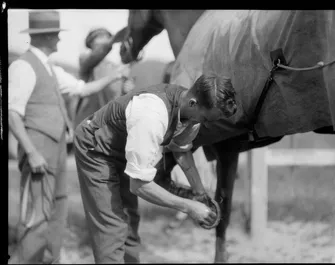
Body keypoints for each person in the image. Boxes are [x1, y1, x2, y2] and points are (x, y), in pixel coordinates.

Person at [73, 73, 238, 263]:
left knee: (130, 217)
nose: (206, 124)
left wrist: (199, 192)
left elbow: (181, 151)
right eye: (207, 119)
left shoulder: (191, 115)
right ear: (193, 103)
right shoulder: (152, 114)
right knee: (112, 224)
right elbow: (139, 185)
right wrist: (189, 206)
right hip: (96, 148)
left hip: (124, 150)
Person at [8, 10, 129, 264]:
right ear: (48, 35)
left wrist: (116, 75)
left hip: (58, 148)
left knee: (57, 211)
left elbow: (81, 88)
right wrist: (31, 152)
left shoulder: (49, 68)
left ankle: (49, 260)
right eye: (57, 36)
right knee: (35, 215)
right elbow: (12, 114)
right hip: (39, 150)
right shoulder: (22, 66)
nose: (60, 41)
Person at [73, 27, 135, 128]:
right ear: (90, 43)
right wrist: (111, 41)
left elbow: (118, 99)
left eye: (106, 37)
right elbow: (96, 55)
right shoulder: (85, 60)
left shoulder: (114, 68)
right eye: (100, 37)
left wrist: (126, 90)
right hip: (87, 124)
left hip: (108, 125)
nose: (104, 41)